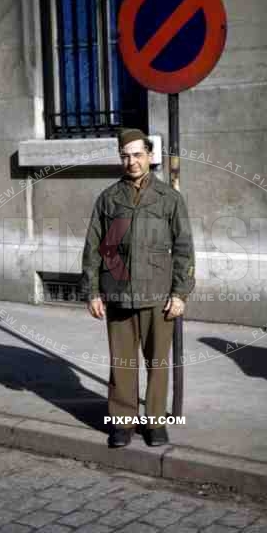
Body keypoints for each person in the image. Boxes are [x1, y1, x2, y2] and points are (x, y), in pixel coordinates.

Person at [82, 128, 195, 448]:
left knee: (157, 362)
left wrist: (180, 293)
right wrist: (92, 291)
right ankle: (121, 423)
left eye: (137, 155)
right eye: (125, 156)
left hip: (158, 294)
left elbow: (185, 247)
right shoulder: (108, 198)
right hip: (117, 292)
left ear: (150, 156)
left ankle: (156, 422)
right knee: (122, 362)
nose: (131, 161)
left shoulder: (169, 198)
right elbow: (94, 247)